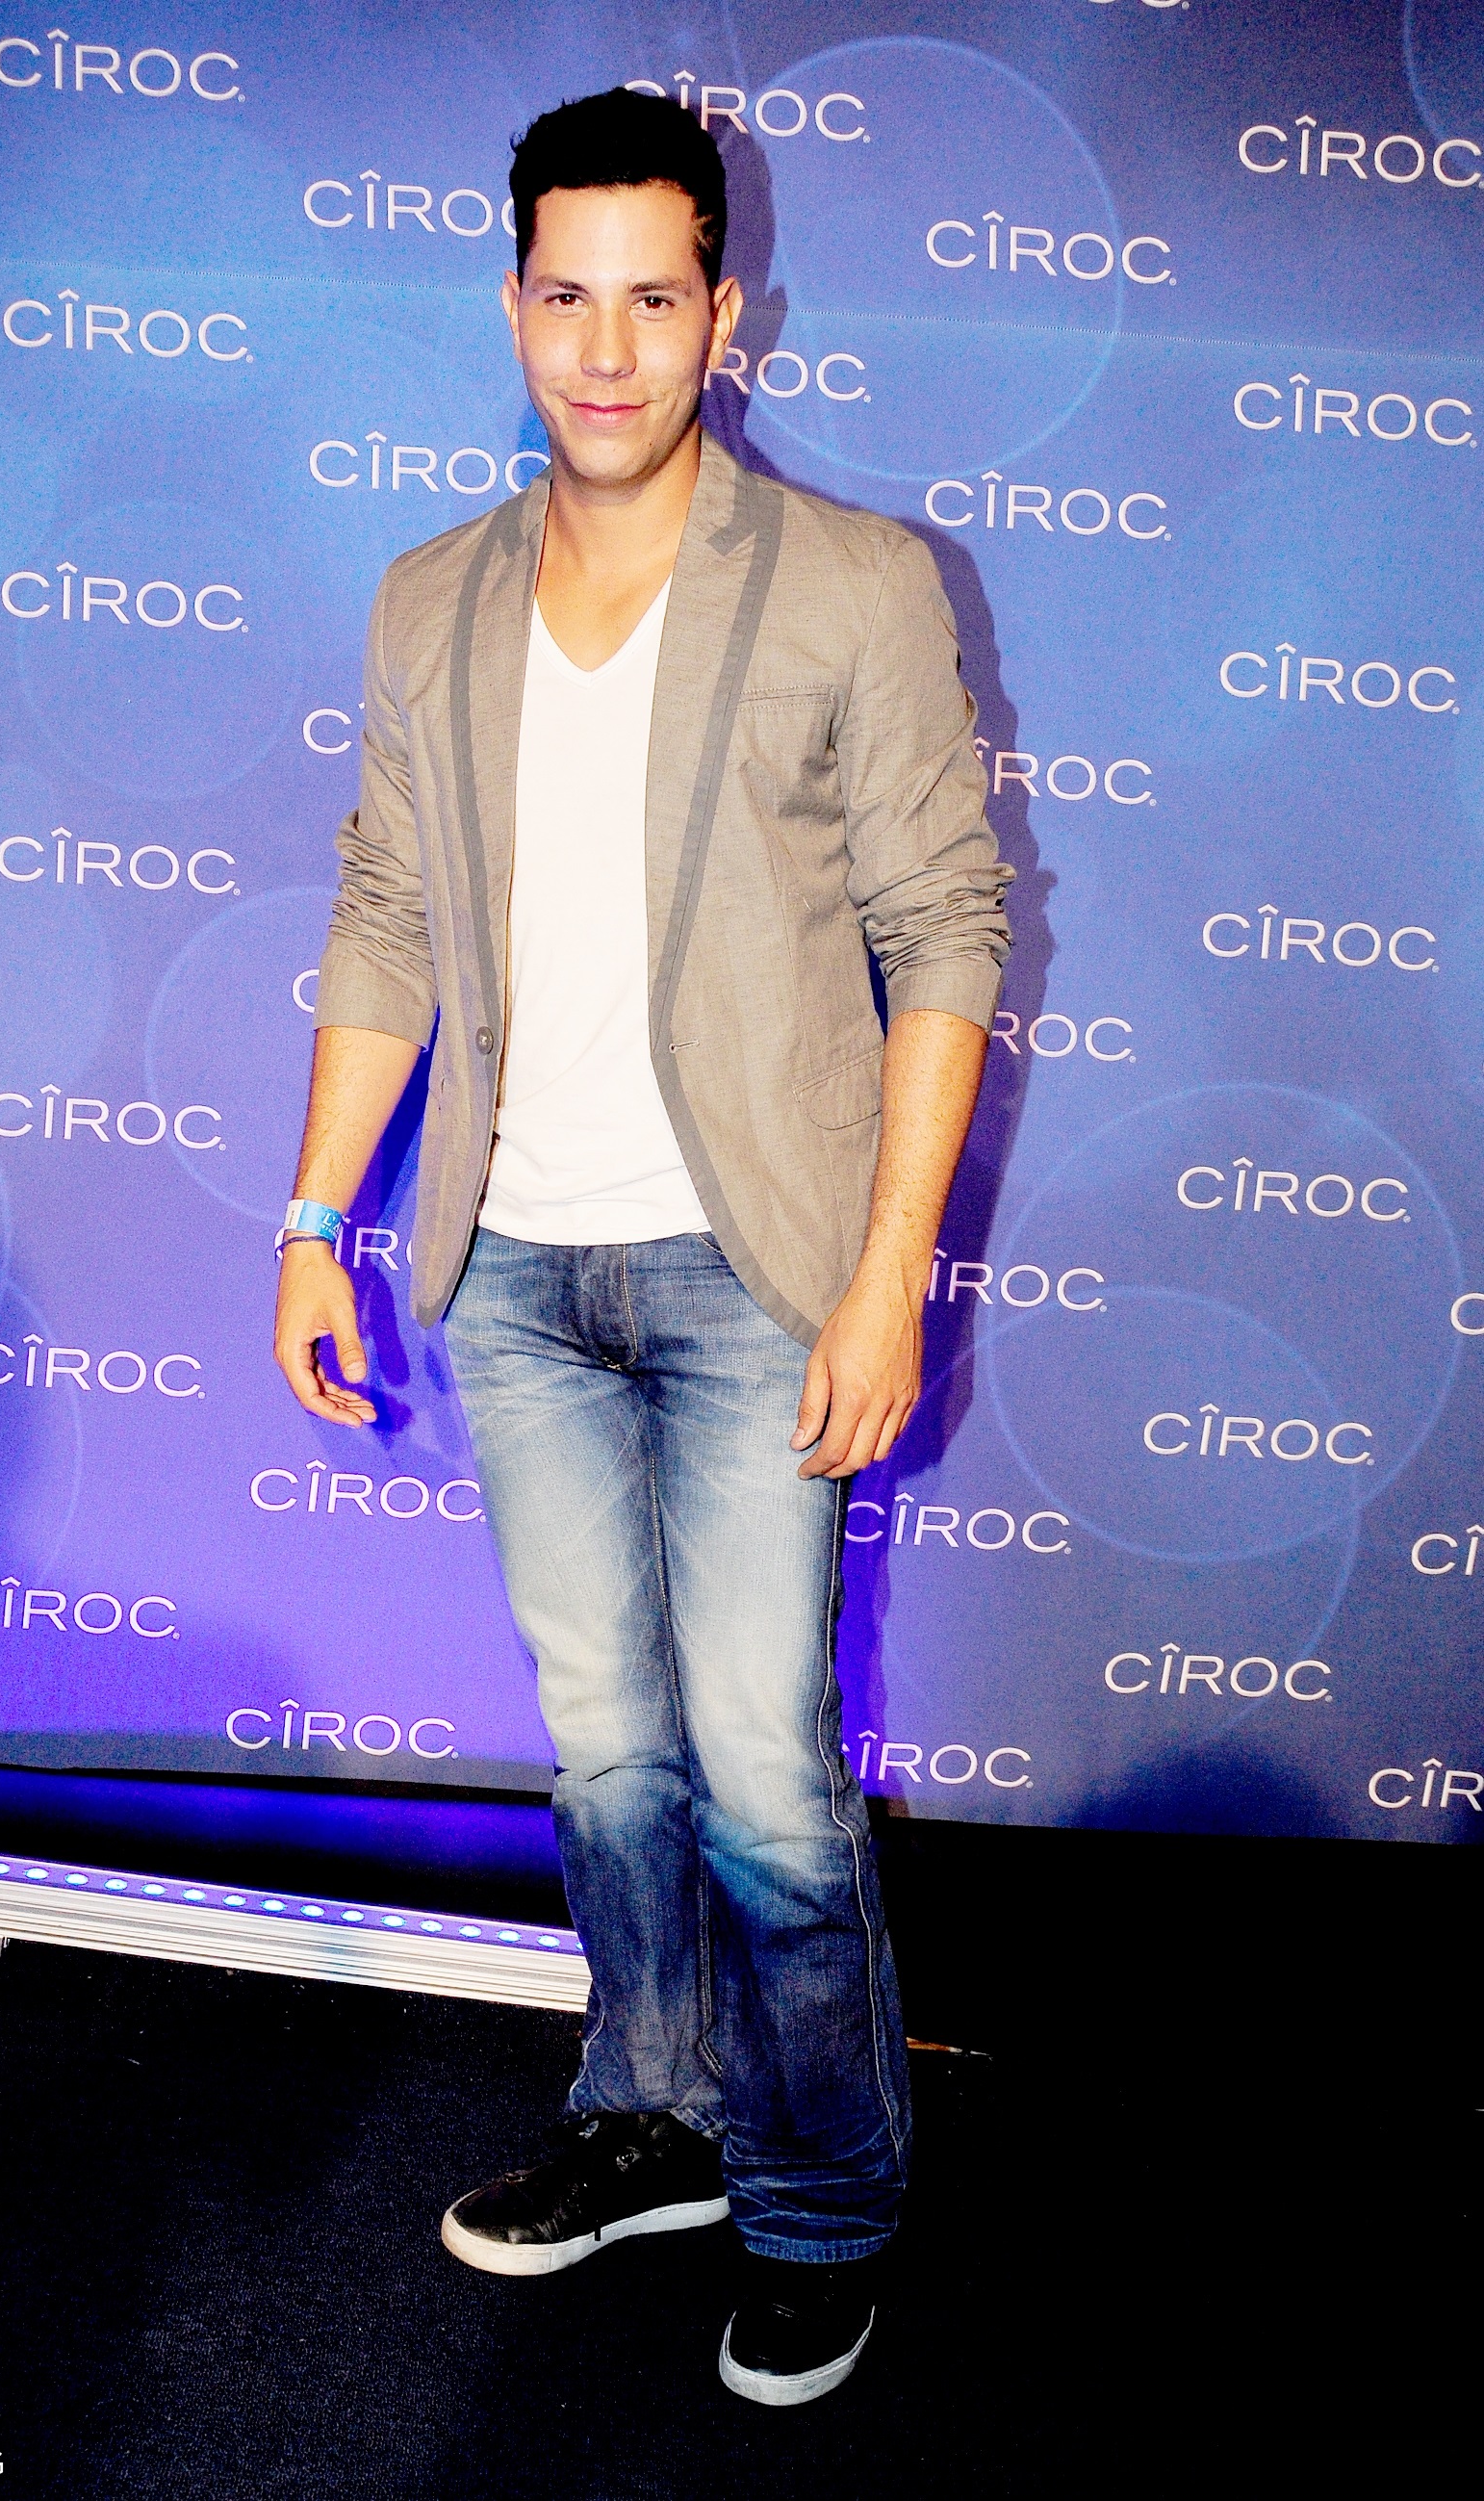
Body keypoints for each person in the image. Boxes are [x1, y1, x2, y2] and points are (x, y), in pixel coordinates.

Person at [274, 87, 1011, 2407]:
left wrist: (885, 1275)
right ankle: (652, 2116)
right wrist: (316, 1216)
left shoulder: (856, 581)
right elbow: (386, 911)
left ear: (725, 313)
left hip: (746, 1272)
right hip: (510, 1271)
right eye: (565, 296)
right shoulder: (429, 596)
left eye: (653, 297)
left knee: (768, 1782)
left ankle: (818, 2201)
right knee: (604, 1756)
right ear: (513, 306)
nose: (607, 348)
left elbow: (947, 935)